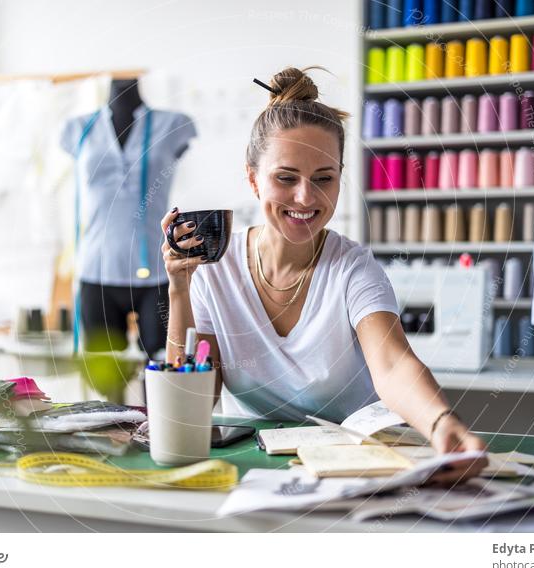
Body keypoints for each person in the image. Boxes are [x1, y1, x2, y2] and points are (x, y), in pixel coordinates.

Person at [161, 67, 487, 484]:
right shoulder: (215, 268)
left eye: (323, 179)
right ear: (253, 179)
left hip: (355, 468)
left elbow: (392, 365)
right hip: (255, 470)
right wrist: (179, 288)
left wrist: (442, 424)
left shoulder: (353, 268)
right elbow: (193, 400)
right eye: (286, 178)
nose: (305, 197)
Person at [61, 79, 196, 355]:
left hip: (156, 271)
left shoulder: (173, 125)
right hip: (97, 269)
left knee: (163, 368)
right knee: (105, 376)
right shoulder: (78, 128)